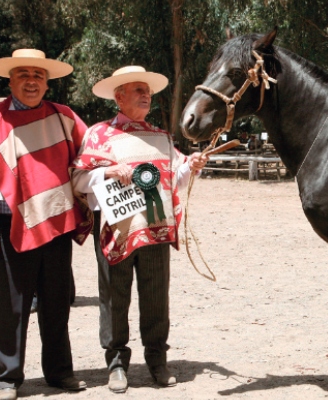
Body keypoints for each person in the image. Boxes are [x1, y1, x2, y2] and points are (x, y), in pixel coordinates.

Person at [70, 66, 209, 394]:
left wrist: (191, 166)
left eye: (147, 91)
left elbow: (173, 178)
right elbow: (77, 179)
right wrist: (106, 173)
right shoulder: (98, 135)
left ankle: (157, 359)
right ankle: (116, 362)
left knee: (156, 297)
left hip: (155, 230)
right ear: (119, 97)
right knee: (115, 298)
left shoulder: (161, 137)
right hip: (117, 231)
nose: (145, 96)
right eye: (138, 91)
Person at [0, 49, 92, 400]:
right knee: (11, 305)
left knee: (56, 302)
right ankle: (7, 378)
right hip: (7, 227)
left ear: (47, 82)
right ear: (10, 80)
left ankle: (59, 372)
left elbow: (87, 162)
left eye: (38, 75)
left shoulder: (64, 117)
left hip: (56, 222)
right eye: (23, 74)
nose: (31, 81)